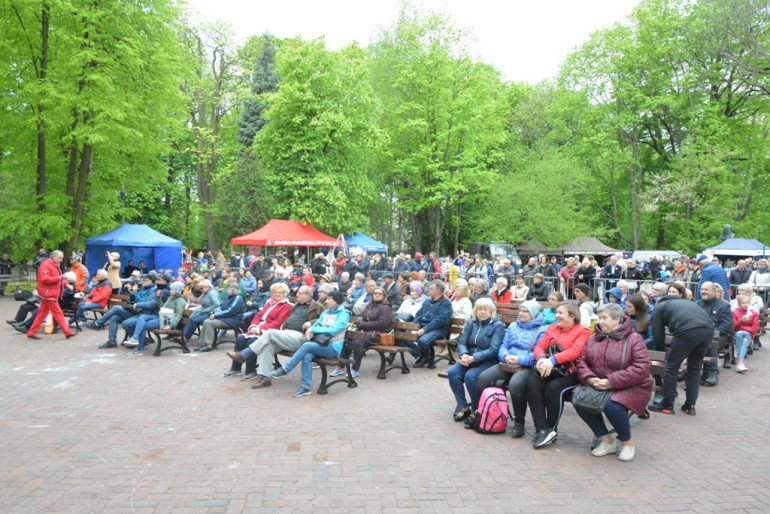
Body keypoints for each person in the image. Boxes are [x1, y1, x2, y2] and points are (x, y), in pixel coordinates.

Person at [573, 303, 653, 462]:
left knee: (613, 405)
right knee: (578, 398)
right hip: (598, 383)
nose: (600, 321)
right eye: (599, 317)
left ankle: (627, 443)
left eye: (604, 318)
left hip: (632, 385)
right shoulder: (593, 338)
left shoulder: (633, 339)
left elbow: (641, 367)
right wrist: (589, 378)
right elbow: (581, 361)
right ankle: (607, 441)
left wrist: (610, 381)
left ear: (617, 319)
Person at [470, 300, 547, 435]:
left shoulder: (542, 330)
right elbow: (503, 345)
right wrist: (505, 356)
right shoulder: (512, 326)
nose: (521, 313)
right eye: (520, 310)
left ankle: (519, 423)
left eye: (525, 311)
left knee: (515, 385)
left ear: (534, 314)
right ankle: (479, 414)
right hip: (507, 363)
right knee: (483, 378)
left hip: (527, 366)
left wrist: (520, 359)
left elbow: (538, 352)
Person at [527, 303, 590, 448]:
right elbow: (539, 347)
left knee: (553, 388)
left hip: (569, 372)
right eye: (556, 313)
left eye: (561, 313)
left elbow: (576, 351)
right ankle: (542, 428)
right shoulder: (552, 328)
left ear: (572, 316)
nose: (556, 316)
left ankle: (551, 429)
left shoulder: (583, 331)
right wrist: (542, 359)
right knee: (532, 383)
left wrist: (552, 360)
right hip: (549, 368)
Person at [269, 291, 351, 398]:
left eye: (329, 299)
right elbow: (316, 324)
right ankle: (305, 387)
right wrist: (312, 329)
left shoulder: (344, 314)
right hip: (319, 344)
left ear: (336, 301)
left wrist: (314, 329)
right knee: (307, 356)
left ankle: (286, 369)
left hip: (333, 348)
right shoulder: (326, 312)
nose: (327, 301)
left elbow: (333, 330)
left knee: (307, 346)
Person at [649, 293, 714, 415]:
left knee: (671, 368)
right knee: (694, 369)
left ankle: (667, 405)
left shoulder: (659, 306)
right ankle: (690, 406)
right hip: (708, 330)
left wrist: (660, 353)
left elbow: (657, 334)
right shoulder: (686, 302)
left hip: (687, 330)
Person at [448, 298, 505, 421]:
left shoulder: (497, 326)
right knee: (453, 373)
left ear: (491, 312)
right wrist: (464, 354)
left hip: (487, 361)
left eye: (486, 309)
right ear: (475, 311)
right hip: (468, 358)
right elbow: (462, 342)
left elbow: (493, 349)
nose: (482, 312)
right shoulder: (471, 323)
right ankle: (463, 406)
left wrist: (474, 358)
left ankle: (476, 408)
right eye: (479, 309)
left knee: (470, 376)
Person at [331, 286, 393, 378]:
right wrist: (359, 322)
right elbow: (361, 316)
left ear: (384, 296)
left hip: (378, 334)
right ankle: (340, 366)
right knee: (348, 338)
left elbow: (382, 324)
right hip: (368, 333)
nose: (377, 295)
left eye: (379, 294)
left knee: (358, 341)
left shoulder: (386, 308)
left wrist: (363, 325)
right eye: (375, 293)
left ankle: (355, 369)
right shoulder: (370, 305)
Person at [25, 250, 77, 340]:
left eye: (62, 258)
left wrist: (65, 284)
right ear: (53, 257)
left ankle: (31, 332)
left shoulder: (54, 265)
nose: (61, 260)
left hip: (49, 293)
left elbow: (57, 277)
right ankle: (67, 332)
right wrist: (60, 278)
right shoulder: (45, 265)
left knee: (41, 314)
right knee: (59, 313)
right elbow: (45, 279)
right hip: (49, 293)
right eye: (59, 258)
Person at [696, 281, 733, 387]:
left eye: (706, 289)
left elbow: (726, 326)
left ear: (714, 291)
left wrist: (709, 333)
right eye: (702, 289)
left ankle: (713, 372)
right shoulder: (696, 304)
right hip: (698, 336)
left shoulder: (724, 306)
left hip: (718, 337)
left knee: (710, 342)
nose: (703, 291)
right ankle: (693, 373)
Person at [409, 280, 453, 367]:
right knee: (402, 336)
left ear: (438, 291)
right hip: (422, 327)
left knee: (423, 341)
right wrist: (413, 327)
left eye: (431, 289)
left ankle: (425, 357)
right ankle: (421, 354)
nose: (429, 290)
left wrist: (424, 330)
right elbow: (419, 315)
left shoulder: (446, 303)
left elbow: (440, 320)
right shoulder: (427, 302)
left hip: (438, 330)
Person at [193, 283, 246, 353]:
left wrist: (216, 315)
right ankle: (203, 344)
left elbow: (230, 311)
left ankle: (208, 345)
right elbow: (219, 306)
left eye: (229, 289)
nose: (227, 291)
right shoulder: (227, 297)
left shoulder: (238, 298)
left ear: (234, 290)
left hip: (233, 320)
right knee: (206, 321)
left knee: (210, 323)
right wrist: (213, 313)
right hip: (225, 318)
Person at [178, 279, 221, 345]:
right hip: (207, 312)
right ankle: (183, 336)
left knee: (193, 320)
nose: (201, 290)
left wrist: (206, 310)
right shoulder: (207, 293)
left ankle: (185, 337)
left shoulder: (212, 293)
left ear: (207, 286)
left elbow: (217, 304)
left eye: (202, 288)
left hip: (213, 313)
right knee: (192, 318)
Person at [732, 295, 758, 374]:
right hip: (737, 335)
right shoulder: (734, 312)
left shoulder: (754, 313)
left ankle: (737, 354)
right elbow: (734, 326)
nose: (745, 304)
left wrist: (743, 328)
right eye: (743, 303)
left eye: (747, 303)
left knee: (741, 333)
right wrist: (741, 321)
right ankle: (740, 362)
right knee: (743, 339)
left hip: (749, 334)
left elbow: (755, 328)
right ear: (739, 304)